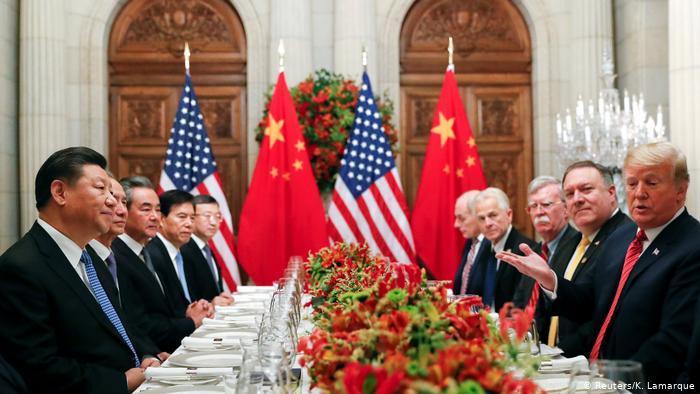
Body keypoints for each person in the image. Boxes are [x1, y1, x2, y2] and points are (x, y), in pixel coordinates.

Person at [498, 142, 700, 384]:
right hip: (593, 379)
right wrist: (550, 279)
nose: (639, 193)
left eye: (652, 183)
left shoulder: (692, 246)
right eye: (633, 183)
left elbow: (674, 340)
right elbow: (590, 303)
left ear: (681, 190)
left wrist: (612, 381)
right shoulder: (623, 237)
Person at [0, 147, 146, 393]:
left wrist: (143, 357)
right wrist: (120, 383)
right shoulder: (21, 267)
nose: (112, 201)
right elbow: (39, 367)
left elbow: (116, 327)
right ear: (60, 192)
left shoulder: (90, 257)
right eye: (101, 189)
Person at [112, 176, 211, 352]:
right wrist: (189, 322)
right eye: (146, 209)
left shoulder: (148, 251)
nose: (154, 217)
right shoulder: (115, 255)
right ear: (123, 211)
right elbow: (138, 323)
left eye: (158, 210)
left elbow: (164, 308)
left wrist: (191, 312)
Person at [544, 161, 631, 355]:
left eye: (586, 189)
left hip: (593, 364)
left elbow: (603, 315)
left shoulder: (627, 239)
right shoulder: (569, 243)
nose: (577, 199)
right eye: (569, 194)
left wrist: (558, 354)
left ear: (611, 194)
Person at [86, 177, 167, 362]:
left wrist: (148, 353)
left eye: (123, 202)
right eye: (113, 201)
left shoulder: (112, 255)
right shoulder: (89, 258)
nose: (121, 211)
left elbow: (126, 321)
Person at [146, 190, 213, 319]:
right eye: (182, 217)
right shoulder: (152, 255)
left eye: (192, 218)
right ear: (162, 219)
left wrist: (202, 305)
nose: (189, 224)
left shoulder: (183, 253)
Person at [512, 176, 577, 309]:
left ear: (566, 209)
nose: (539, 212)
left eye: (546, 205)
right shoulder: (534, 251)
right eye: (533, 206)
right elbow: (520, 300)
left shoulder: (578, 246)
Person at [467, 187, 537, 311]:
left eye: (493, 215)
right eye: (482, 218)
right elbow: (473, 292)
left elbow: (521, 303)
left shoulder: (525, 249)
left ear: (509, 215)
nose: (487, 223)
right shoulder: (484, 247)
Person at [181, 194, 234, 306]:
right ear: (192, 218)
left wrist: (220, 296)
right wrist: (211, 303)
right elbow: (186, 296)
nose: (214, 222)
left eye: (217, 216)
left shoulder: (206, 248)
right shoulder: (184, 249)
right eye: (207, 216)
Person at [452, 190, 488, 295]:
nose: (456, 224)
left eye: (461, 218)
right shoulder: (471, 242)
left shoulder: (493, 245)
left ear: (478, 215)